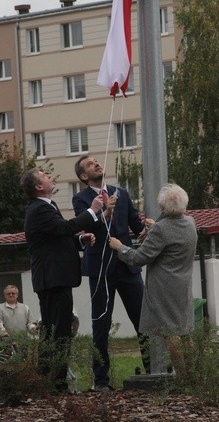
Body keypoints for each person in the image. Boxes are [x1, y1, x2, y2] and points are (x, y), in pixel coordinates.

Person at [20, 168, 103, 393]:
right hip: (53, 279)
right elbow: (64, 228)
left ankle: (46, 382)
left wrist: (79, 241)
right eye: (45, 175)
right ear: (38, 187)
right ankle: (56, 385)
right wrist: (92, 211)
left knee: (52, 332)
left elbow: (57, 238)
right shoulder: (39, 209)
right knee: (59, 333)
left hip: (53, 278)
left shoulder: (46, 207)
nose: (50, 176)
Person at [73, 155, 150, 391]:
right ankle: (101, 381)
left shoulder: (122, 192)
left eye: (97, 161)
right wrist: (104, 211)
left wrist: (146, 229)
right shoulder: (81, 199)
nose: (96, 163)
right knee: (101, 325)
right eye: (90, 164)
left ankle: (153, 369)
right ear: (84, 176)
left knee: (143, 321)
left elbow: (137, 227)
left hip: (127, 267)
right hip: (100, 269)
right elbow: (86, 227)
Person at [109, 183, 198, 375]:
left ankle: (182, 375)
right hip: (183, 284)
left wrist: (120, 247)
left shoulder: (161, 230)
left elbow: (138, 258)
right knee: (184, 330)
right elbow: (174, 237)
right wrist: (156, 226)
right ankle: (194, 374)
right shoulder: (190, 223)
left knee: (169, 331)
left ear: (163, 208)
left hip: (164, 287)